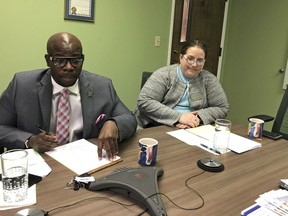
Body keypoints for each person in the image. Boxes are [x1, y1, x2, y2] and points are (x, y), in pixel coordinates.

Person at [0, 32, 137, 160]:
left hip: (85, 161)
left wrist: (114, 124)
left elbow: (129, 118)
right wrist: (29, 140)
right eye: (60, 60)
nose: (69, 67)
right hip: (40, 162)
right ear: (48, 60)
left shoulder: (102, 86)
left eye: (76, 60)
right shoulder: (22, 85)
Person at [134, 39, 229, 129]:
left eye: (200, 60)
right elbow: (144, 101)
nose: (195, 64)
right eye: (190, 58)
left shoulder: (209, 79)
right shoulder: (163, 74)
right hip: (156, 126)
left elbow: (222, 107)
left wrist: (196, 118)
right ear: (181, 58)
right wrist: (179, 117)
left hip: (192, 128)